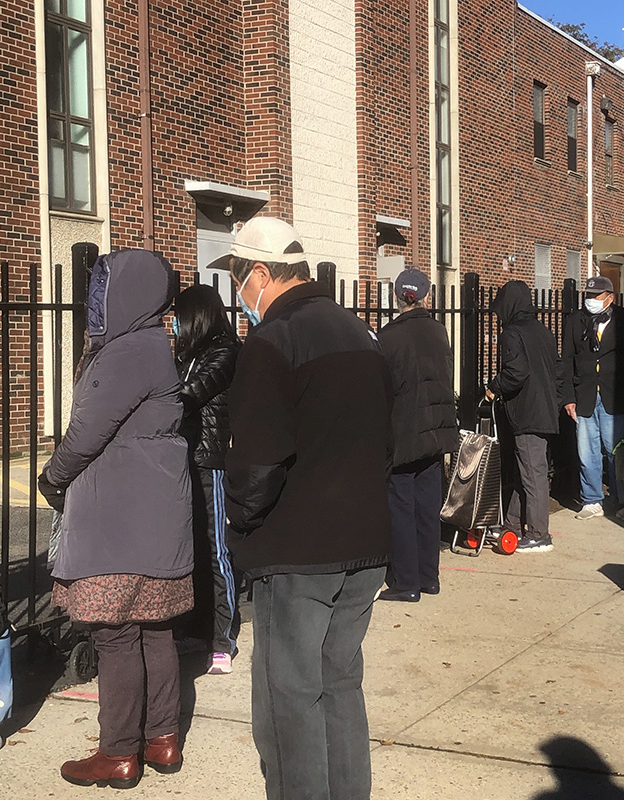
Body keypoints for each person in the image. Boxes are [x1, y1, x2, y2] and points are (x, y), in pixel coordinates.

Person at [222, 217, 391, 800]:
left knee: (288, 700)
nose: (238, 296)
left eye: (239, 281)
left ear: (261, 274)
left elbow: (256, 462)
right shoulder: (359, 331)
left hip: (298, 551)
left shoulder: (273, 340)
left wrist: (239, 522)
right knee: (340, 686)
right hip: (364, 542)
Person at [41, 250, 192, 789]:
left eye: (102, 289)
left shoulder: (126, 352)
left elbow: (85, 435)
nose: (95, 301)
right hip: (155, 517)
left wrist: (52, 478)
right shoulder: (155, 344)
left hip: (120, 520)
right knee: (154, 630)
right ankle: (162, 739)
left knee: (117, 635)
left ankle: (118, 752)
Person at [377, 268, 458, 601]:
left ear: (397, 297)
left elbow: (382, 389)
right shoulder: (439, 332)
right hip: (435, 432)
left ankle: (406, 582)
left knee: (401, 507)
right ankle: (430, 576)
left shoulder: (388, 337)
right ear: (427, 296)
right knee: (427, 505)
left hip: (402, 432)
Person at [174, 284, 242, 675]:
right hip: (180, 459)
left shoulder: (224, 352)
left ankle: (222, 638)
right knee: (190, 547)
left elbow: (191, 394)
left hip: (209, 460)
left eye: (180, 316)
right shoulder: (187, 354)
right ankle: (196, 628)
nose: (175, 325)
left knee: (216, 550)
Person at [486, 280, 561, 552]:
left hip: (527, 411)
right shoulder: (543, 331)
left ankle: (540, 534)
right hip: (543, 408)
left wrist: (494, 388)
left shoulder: (512, 333)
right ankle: (513, 525)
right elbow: (557, 370)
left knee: (533, 473)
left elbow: (516, 372)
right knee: (525, 471)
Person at [562, 275, 624, 519]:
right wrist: (568, 397)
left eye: (596, 296)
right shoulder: (575, 321)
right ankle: (591, 500)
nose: (591, 300)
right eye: (587, 296)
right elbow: (566, 361)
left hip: (615, 395)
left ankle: (623, 500)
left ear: (610, 297)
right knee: (587, 451)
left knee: (616, 450)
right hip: (585, 394)